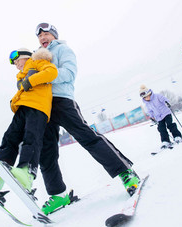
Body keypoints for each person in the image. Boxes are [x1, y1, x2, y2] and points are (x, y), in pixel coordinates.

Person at [34, 22, 140, 215]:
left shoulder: (63, 50)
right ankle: (58, 194)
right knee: (46, 150)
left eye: (46, 34)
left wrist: (45, 76)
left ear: (54, 35)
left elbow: (69, 74)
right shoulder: (37, 56)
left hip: (62, 101)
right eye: (39, 36)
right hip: (43, 106)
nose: (42, 38)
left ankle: (126, 172)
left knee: (87, 137)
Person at [0, 48, 58, 196]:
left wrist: (29, 81)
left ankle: (26, 173)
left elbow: (52, 72)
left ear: (25, 56)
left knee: (31, 138)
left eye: (16, 60)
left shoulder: (37, 62)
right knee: (9, 138)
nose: (16, 64)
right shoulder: (21, 75)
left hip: (38, 107)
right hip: (23, 108)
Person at [139, 85, 182, 149]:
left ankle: (177, 136)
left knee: (170, 125)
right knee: (161, 129)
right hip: (158, 117)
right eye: (144, 98)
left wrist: (166, 102)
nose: (146, 98)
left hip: (166, 113)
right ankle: (165, 141)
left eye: (146, 96)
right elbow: (150, 111)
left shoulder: (157, 96)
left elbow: (164, 99)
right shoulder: (147, 103)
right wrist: (152, 117)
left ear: (149, 93)